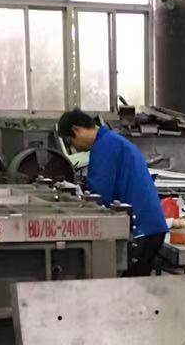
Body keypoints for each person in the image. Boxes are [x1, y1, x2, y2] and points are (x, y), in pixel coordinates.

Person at [57, 109, 168, 275]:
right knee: (136, 284)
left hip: (139, 230)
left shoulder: (104, 147)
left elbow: (98, 198)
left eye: (71, 141)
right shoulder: (112, 140)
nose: (75, 148)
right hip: (150, 227)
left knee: (127, 286)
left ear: (76, 130)